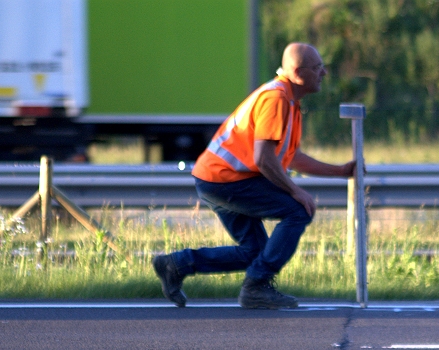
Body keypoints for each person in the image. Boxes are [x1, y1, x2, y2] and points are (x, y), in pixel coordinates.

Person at [152, 43, 355, 309]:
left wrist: (340, 172)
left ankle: (175, 265)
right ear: (297, 72)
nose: (324, 73)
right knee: (298, 210)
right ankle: (256, 287)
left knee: (257, 251)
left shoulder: (289, 100)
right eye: (317, 68)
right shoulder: (277, 99)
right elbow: (263, 158)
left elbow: (290, 157)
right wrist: (296, 191)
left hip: (216, 178)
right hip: (226, 180)